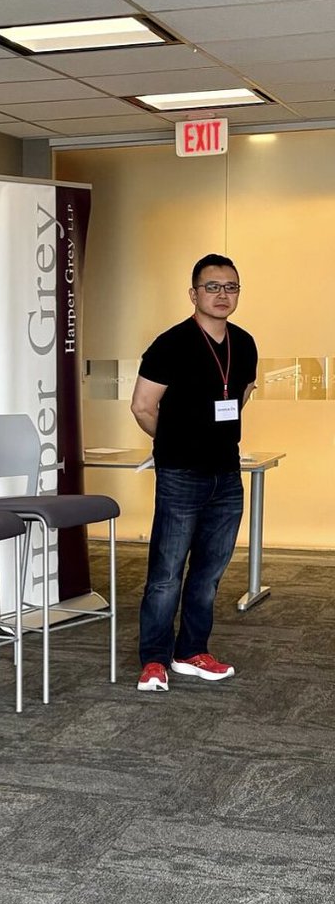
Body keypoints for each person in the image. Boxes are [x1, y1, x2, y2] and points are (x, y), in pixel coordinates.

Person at [131, 254, 258, 692]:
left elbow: (239, 396)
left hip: (226, 475)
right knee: (166, 573)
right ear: (193, 293)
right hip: (181, 474)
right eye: (213, 287)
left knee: (208, 572)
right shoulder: (170, 345)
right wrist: (173, 446)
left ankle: (191, 651)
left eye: (231, 287)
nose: (223, 295)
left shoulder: (244, 343)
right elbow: (143, 407)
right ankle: (154, 659)